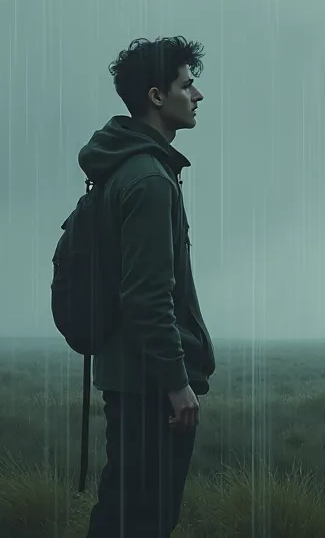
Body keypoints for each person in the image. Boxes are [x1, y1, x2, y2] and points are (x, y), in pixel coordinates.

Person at [80, 36, 216, 537]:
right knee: (144, 521)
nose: (198, 95)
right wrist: (177, 385)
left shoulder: (122, 168)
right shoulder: (150, 179)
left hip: (129, 378)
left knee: (121, 515)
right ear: (157, 96)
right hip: (150, 388)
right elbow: (147, 297)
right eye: (187, 84)